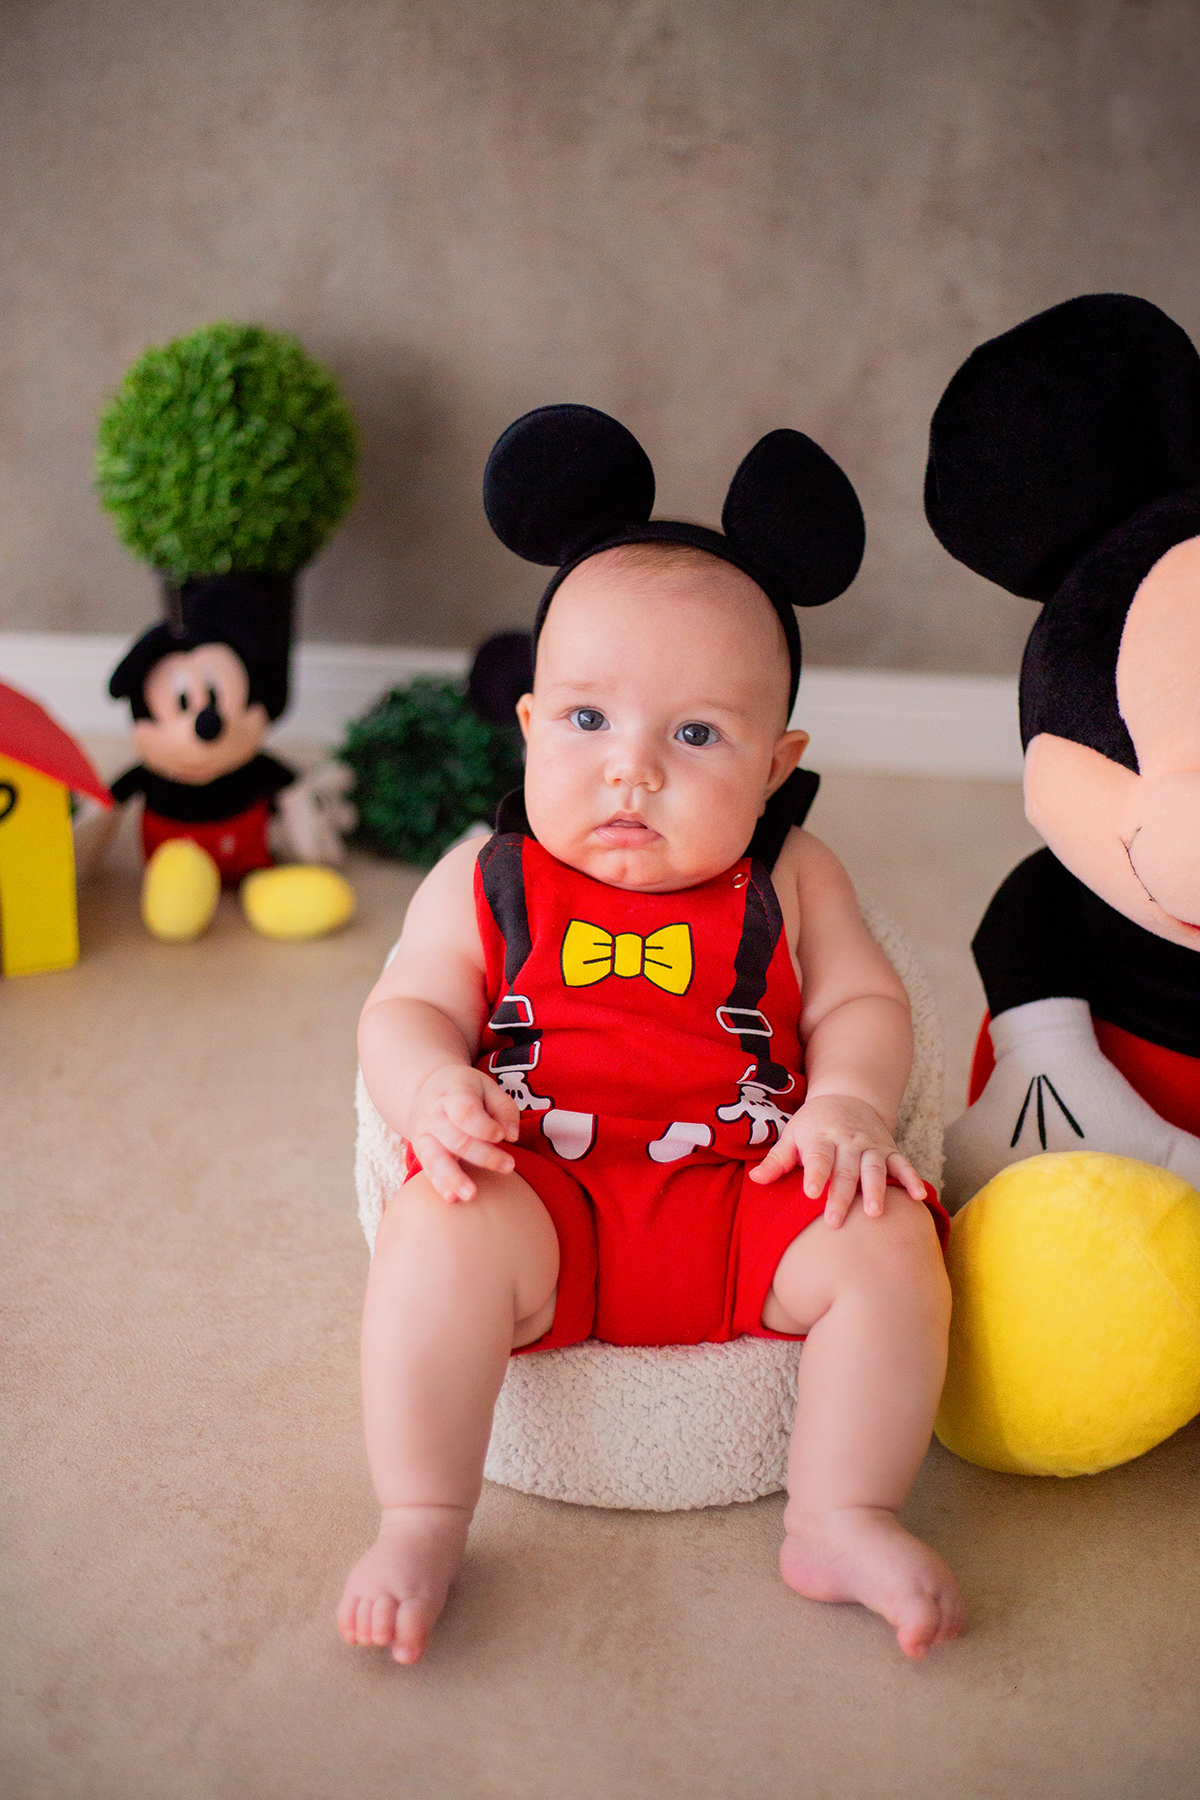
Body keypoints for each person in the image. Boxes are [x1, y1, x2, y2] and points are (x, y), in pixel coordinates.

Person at [338, 409, 961, 1666]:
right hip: (543, 1192)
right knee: (434, 1230)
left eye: (694, 735)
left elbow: (863, 1003)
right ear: (524, 728)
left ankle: (840, 1513)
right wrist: (431, 1089)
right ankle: (421, 1515)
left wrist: (845, 1104)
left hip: (746, 1191)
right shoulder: (487, 878)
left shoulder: (796, 876)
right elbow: (401, 1006)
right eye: (587, 723)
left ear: (777, 768)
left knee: (891, 1245)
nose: (632, 773)